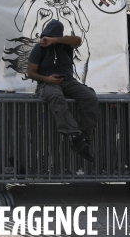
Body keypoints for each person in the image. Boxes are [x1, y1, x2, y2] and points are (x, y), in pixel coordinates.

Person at [26, 19, 99, 162]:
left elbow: (78, 40)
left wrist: (55, 40)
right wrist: (47, 79)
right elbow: (31, 72)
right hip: (47, 82)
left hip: (68, 81)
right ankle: (74, 135)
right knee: (55, 96)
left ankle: (85, 135)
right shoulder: (39, 48)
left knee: (90, 97)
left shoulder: (66, 45)